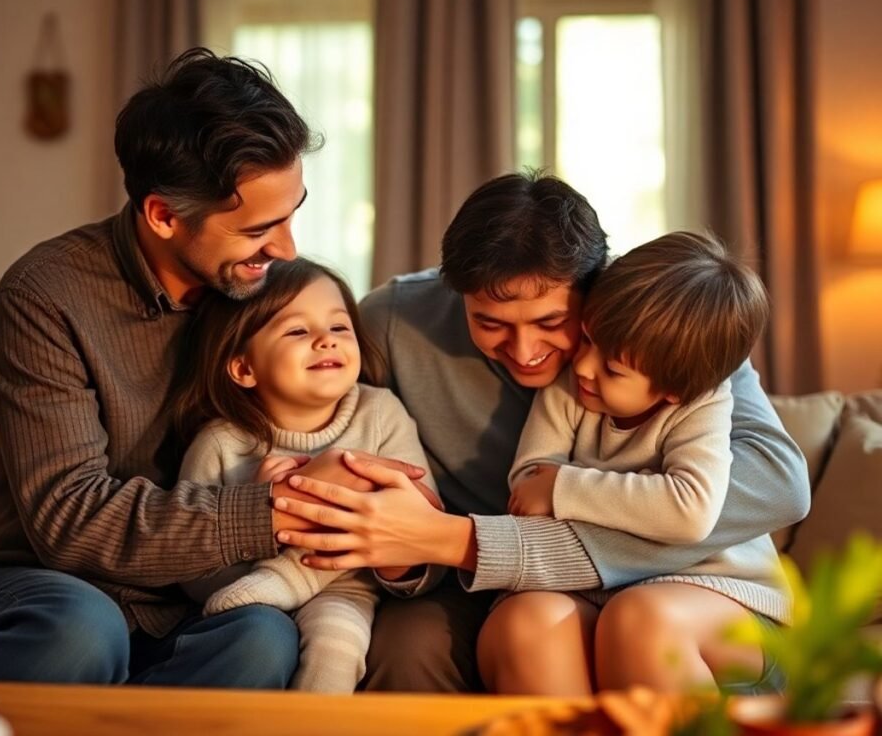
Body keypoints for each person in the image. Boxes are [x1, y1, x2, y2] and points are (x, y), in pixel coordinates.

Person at [269, 171, 810, 693]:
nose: (525, 352)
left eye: (552, 324)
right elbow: (332, 423)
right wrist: (292, 465)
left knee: (643, 620)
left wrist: (471, 540)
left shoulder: (660, 323)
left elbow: (779, 486)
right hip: (507, 585)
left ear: (597, 288)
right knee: (423, 643)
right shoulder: (394, 320)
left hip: (682, 583)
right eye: (491, 324)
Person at [0, 47, 351, 688]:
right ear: (162, 215)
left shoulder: (272, 291)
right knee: (83, 626)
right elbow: (68, 520)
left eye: (293, 212)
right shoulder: (45, 296)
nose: (286, 248)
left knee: (265, 639)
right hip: (50, 588)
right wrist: (268, 513)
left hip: (196, 603)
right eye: (256, 230)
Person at [484, 230, 783, 694]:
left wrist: (564, 488)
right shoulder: (571, 386)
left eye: (614, 369)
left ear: (676, 390)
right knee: (528, 621)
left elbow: (689, 510)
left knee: (641, 618)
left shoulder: (701, 403)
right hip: (593, 592)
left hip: (719, 596)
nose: (583, 367)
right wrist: (553, 488)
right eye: (587, 340)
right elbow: (527, 488)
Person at [170, 257, 443, 693]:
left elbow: (426, 517)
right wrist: (258, 515)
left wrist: (394, 551)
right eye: (298, 331)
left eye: (339, 328)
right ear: (243, 367)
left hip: (345, 586)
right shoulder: (221, 443)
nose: (325, 341)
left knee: (336, 649)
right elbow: (196, 574)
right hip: (251, 595)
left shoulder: (381, 412)